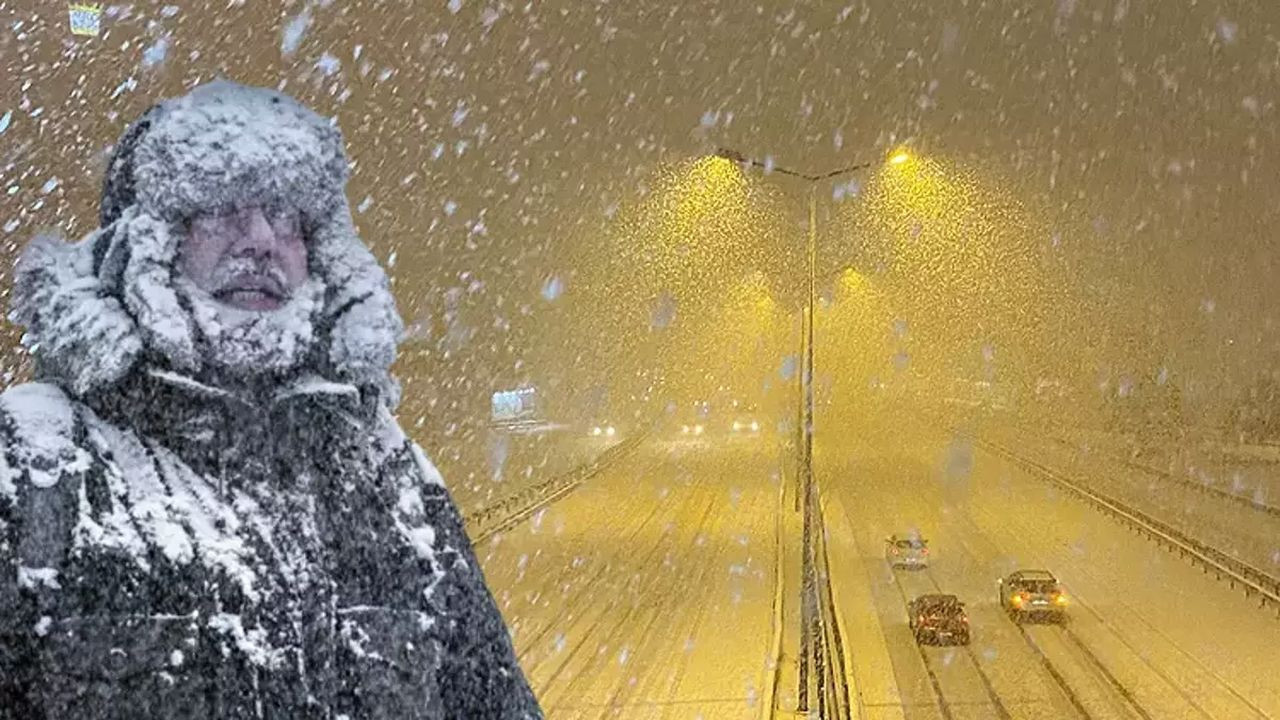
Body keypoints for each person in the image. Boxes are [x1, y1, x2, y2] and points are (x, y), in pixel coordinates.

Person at [0, 80, 541, 719]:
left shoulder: (387, 470)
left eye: (285, 214)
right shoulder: (34, 465)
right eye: (220, 206)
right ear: (148, 241)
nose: (259, 239)